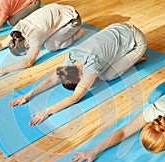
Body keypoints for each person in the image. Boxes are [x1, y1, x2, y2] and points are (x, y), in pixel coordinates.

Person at [9, 22, 147, 126]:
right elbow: (52, 80)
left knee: (107, 76)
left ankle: (134, 57)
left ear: (80, 78)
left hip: (136, 40)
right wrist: (28, 95)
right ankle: (125, 55)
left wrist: (47, 111)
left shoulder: (92, 65)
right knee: (103, 69)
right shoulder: (71, 58)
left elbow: (75, 97)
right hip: (117, 27)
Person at [0, 3, 84, 81]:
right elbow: (1, 44)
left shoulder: (34, 36)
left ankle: (77, 35)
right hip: (57, 10)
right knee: (46, 38)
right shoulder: (17, 29)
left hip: (72, 19)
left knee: (50, 45)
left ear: (27, 44)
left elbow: (28, 62)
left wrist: (1, 71)